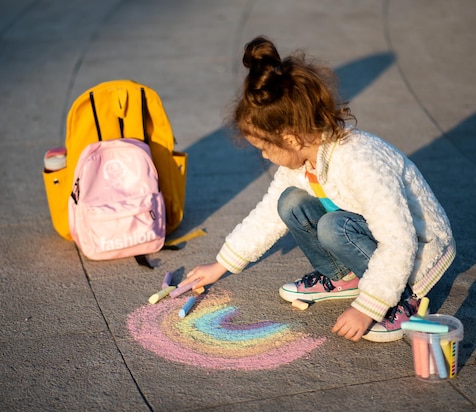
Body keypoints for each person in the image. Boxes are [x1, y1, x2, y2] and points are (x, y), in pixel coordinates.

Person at [180, 36, 455, 343]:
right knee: (289, 202)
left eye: (265, 147)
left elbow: (398, 239)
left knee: (333, 227)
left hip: (419, 246)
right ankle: (343, 277)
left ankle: (400, 300)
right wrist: (220, 266)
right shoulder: (304, 158)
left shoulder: (359, 161)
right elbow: (268, 215)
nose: (264, 155)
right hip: (369, 232)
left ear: (291, 138)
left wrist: (368, 307)